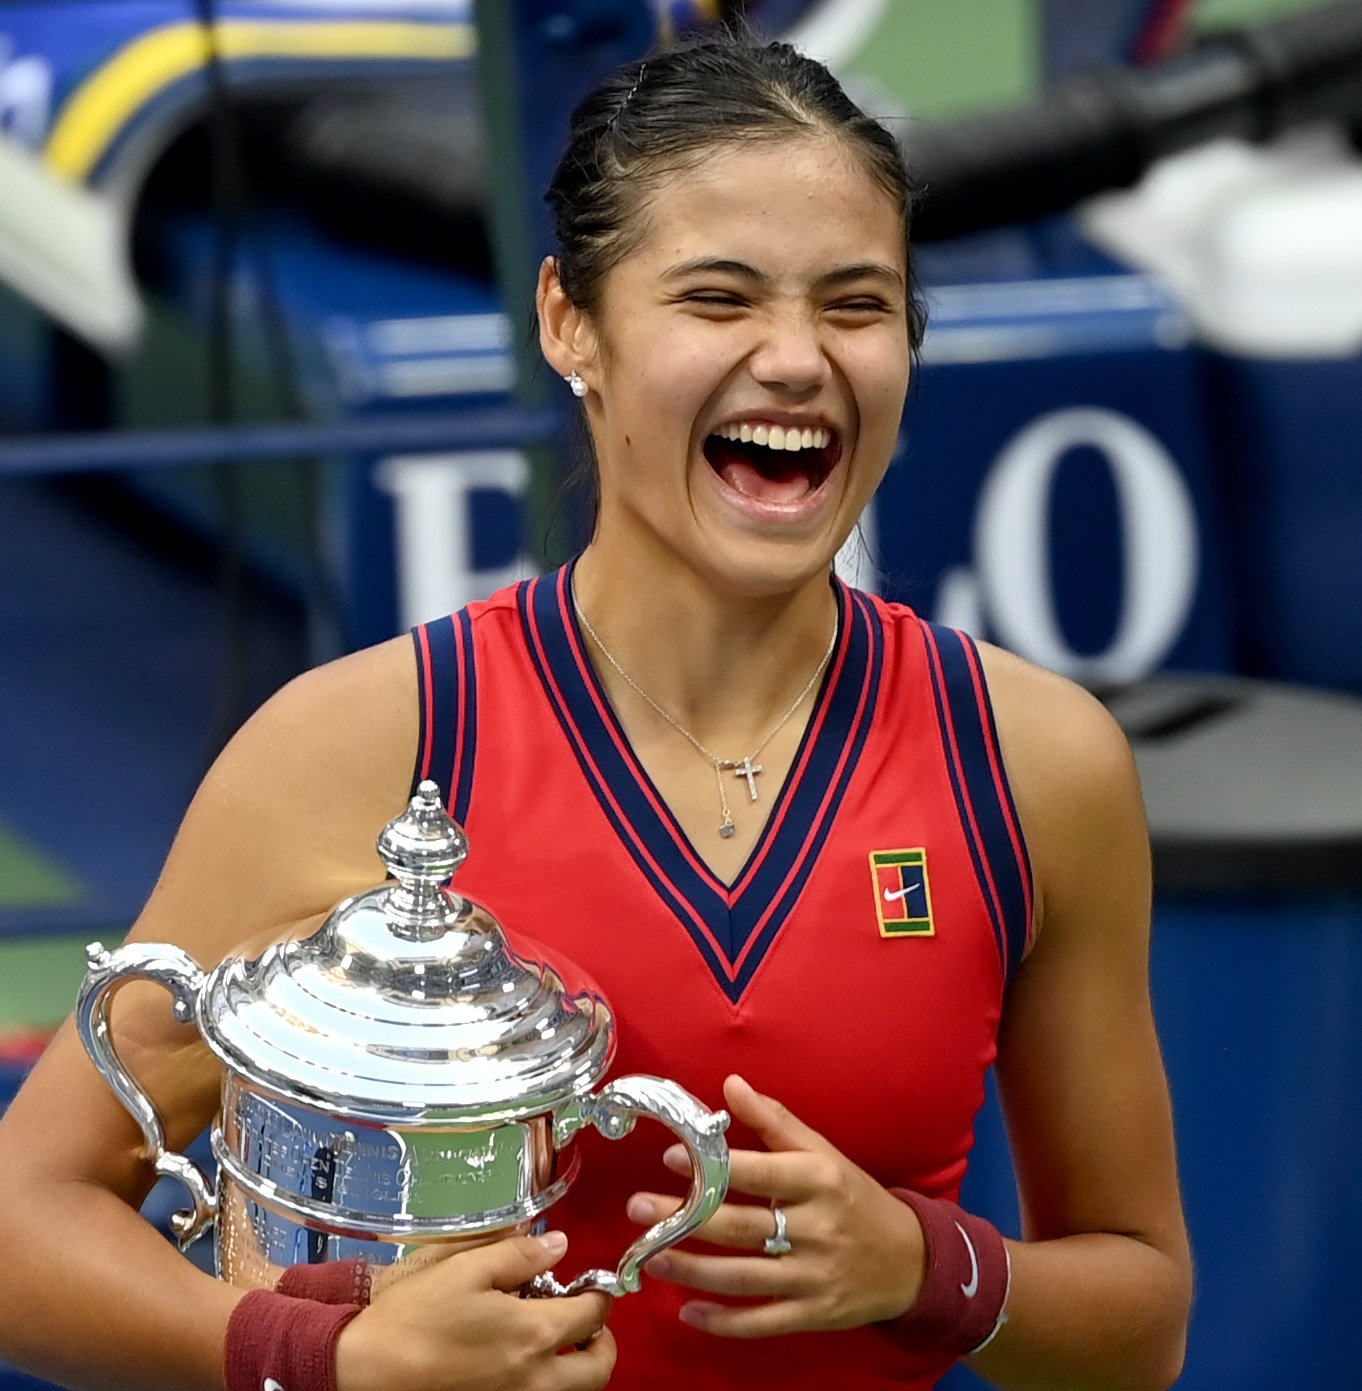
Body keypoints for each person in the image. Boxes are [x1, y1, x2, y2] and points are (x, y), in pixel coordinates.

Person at [0, 31, 1192, 1391]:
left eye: (856, 304)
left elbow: (1137, 1317)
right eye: (717, 298)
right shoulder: (359, 748)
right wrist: (322, 1357)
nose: (796, 358)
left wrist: (932, 1266)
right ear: (571, 322)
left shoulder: (1034, 764)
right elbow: (20, 1226)